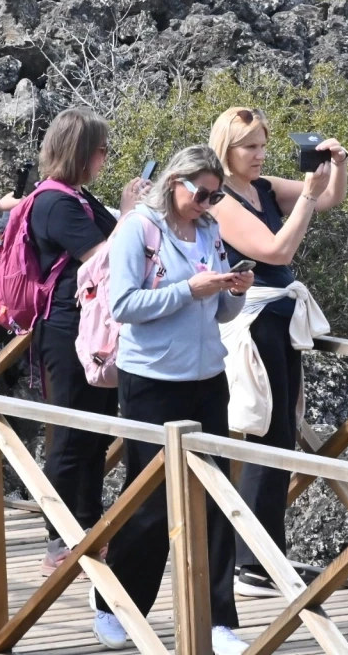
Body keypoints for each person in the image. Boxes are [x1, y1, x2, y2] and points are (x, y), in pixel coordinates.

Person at [92, 145, 252, 655]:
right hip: (152, 381)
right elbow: (124, 305)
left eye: (215, 196)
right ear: (175, 182)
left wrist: (234, 291)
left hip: (207, 377)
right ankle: (116, 606)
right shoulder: (138, 229)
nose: (207, 204)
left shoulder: (209, 230)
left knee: (217, 498)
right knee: (150, 502)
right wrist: (189, 290)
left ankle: (217, 620)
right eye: (201, 194)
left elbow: (220, 313)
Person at [207, 107, 348, 598]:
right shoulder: (221, 200)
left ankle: (266, 556)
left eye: (263, 145)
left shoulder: (262, 188)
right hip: (255, 321)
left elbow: (328, 198)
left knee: (282, 432)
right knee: (266, 433)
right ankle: (251, 562)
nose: (260, 154)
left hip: (279, 320)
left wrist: (336, 166)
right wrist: (307, 195)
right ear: (226, 149)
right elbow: (276, 251)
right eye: (250, 146)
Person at [27, 107, 147, 575]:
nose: (105, 158)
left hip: (90, 328)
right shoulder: (55, 203)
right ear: (81, 153)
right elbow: (103, 258)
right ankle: (58, 538)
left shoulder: (77, 197)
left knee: (94, 432)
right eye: (101, 150)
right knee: (70, 434)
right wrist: (129, 212)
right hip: (66, 330)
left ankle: (88, 528)